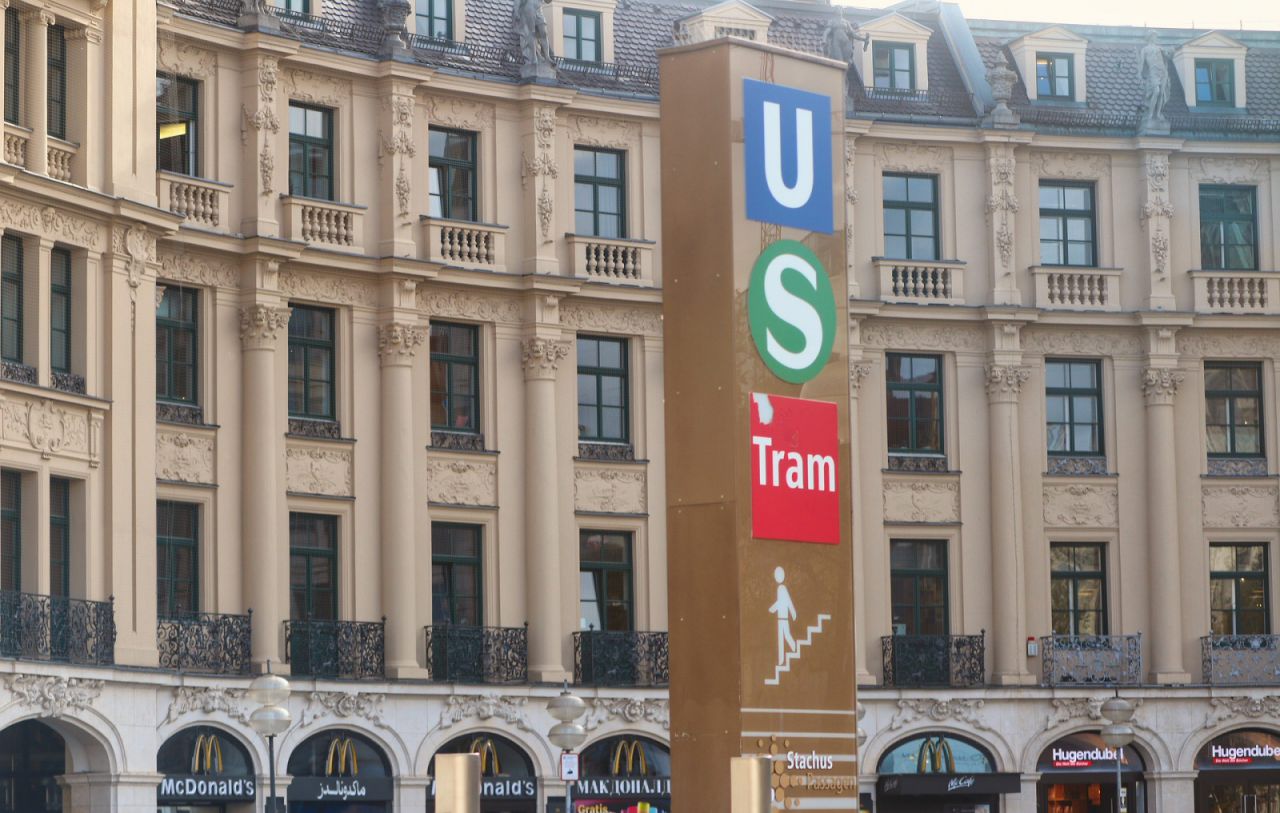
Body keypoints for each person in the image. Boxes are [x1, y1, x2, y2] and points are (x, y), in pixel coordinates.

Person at [769, 566, 798, 666]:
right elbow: (782, 602)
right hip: (780, 619)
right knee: (780, 639)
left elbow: (785, 602)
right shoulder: (780, 588)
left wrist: (773, 608)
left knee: (786, 636)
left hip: (783, 619)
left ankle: (795, 648)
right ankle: (781, 660)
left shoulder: (782, 588)